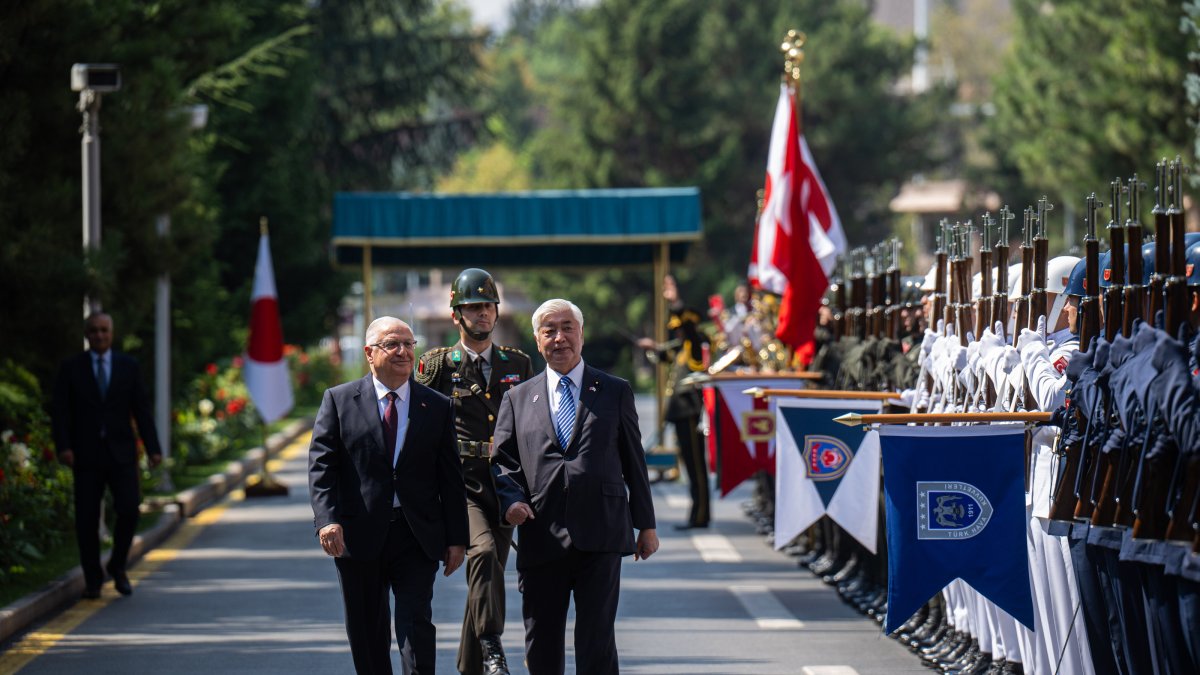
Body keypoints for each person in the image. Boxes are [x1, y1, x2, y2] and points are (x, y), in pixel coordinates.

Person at [492, 299, 658, 675]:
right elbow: (504, 461)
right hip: (541, 532)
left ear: (581, 335)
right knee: (542, 638)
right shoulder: (518, 398)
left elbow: (634, 460)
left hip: (600, 529)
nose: (559, 337)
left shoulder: (615, 391)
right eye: (549, 330)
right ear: (537, 340)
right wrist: (512, 501)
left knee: (597, 640)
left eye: (568, 328)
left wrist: (645, 525)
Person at [309, 317, 468, 675]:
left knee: (416, 624)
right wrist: (327, 519)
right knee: (367, 629)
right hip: (357, 533)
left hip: (416, 535)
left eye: (409, 344)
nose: (403, 352)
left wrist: (457, 538)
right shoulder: (338, 401)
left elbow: (450, 478)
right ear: (369, 353)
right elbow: (322, 467)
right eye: (392, 344)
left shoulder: (437, 405)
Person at [416, 268, 532, 675]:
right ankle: (492, 643)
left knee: (487, 577)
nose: (482, 314)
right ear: (456, 315)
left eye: (488, 306)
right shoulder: (436, 366)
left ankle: (472, 668)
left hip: (504, 485)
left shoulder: (517, 363)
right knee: (482, 554)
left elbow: (529, 429)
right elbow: (421, 431)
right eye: (472, 307)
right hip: (460, 484)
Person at [52, 312, 162, 599]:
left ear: (112, 333)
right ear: (87, 335)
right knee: (86, 518)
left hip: (121, 453)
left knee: (129, 508)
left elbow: (141, 409)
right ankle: (92, 578)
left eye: (104, 330)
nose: (99, 335)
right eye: (93, 331)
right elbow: (61, 411)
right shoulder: (71, 368)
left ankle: (117, 565)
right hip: (85, 456)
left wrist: (153, 448)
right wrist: (64, 446)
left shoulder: (128, 366)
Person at [638, 274, 709, 530]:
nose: (676, 330)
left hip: (690, 411)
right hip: (680, 413)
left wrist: (676, 301)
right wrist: (651, 346)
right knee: (690, 466)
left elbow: (689, 334)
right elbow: (663, 353)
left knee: (696, 466)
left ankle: (700, 515)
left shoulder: (697, 342)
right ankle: (697, 513)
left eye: (680, 326)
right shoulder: (681, 349)